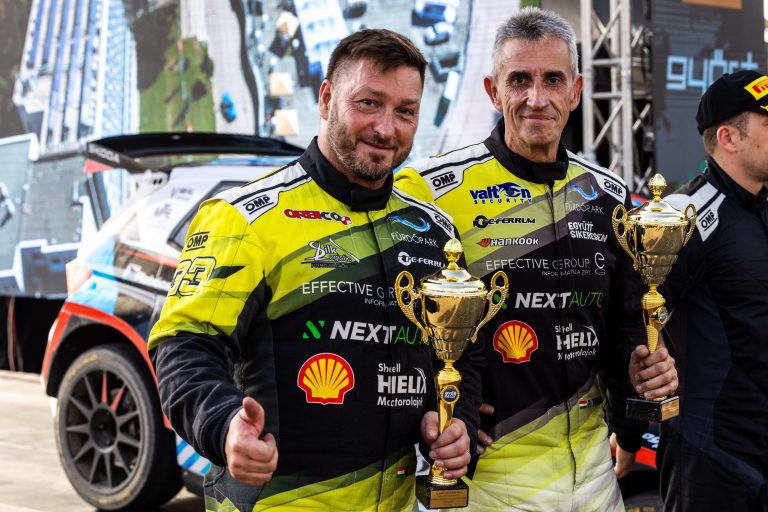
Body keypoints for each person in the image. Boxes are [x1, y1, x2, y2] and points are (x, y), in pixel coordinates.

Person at [148, 28, 480, 511]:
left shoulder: (435, 232)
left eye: (405, 111)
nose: (385, 128)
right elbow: (183, 345)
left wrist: (455, 422)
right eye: (368, 103)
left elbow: (461, 359)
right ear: (326, 99)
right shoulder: (244, 217)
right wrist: (223, 426)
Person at [394, 8, 678, 510]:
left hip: (594, 479)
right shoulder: (430, 190)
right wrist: (446, 413)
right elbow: (398, 332)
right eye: (519, 80)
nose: (536, 98)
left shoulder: (607, 195)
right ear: (492, 90)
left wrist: (643, 364)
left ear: (576, 91)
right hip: (486, 483)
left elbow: (627, 321)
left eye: (553, 80)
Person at [658, 69, 768, 511]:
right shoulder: (682, 216)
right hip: (712, 460)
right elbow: (633, 325)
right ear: (728, 137)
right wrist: (627, 431)